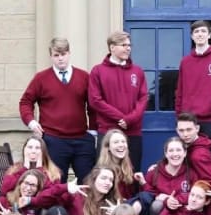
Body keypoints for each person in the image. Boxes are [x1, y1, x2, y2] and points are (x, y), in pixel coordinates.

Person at [19, 37, 96, 182]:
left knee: (89, 182)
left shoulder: (84, 77)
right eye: (56, 55)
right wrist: (31, 122)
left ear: (69, 53)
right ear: (51, 56)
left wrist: (93, 131)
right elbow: (25, 102)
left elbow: (93, 106)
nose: (60, 58)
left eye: (63, 54)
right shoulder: (41, 78)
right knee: (56, 183)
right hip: (53, 139)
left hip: (81, 139)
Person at [175, 20, 211, 167]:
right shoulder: (185, 61)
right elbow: (180, 90)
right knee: (190, 158)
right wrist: (179, 116)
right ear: (192, 36)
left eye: (203, 31)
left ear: (209, 35)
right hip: (190, 119)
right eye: (196, 32)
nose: (200, 34)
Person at [88, 30, 148, 171]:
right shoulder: (98, 71)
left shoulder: (138, 71)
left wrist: (129, 119)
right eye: (123, 45)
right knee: (106, 173)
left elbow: (143, 98)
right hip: (107, 131)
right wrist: (120, 118)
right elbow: (95, 100)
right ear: (112, 47)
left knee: (132, 173)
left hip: (132, 132)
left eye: (129, 45)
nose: (128, 48)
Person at [142, 136, 192, 215]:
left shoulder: (191, 173)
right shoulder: (154, 172)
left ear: (185, 153)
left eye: (178, 150)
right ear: (166, 154)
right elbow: (147, 193)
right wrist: (160, 197)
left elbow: (196, 193)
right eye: (171, 150)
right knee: (156, 205)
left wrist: (175, 199)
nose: (175, 154)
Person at [96, 129, 144, 201]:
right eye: (116, 142)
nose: (121, 145)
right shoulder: (102, 171)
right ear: (108, 147)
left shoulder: (128, 168)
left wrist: (142, 183)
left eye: (123, 142)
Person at [176, 112, 211, 184]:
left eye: (189, 130)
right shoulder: (186, 146)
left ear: (197, 128)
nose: (185, 134)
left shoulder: (198, 155)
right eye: (181, 130)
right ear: (177, 131)